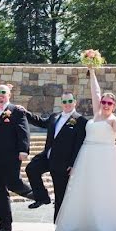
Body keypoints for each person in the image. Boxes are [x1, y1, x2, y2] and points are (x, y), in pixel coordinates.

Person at [55, 68, 116, 231]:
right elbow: (95, 91)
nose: (105, 105)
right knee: (84, 189)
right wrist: (92, 71)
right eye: (104, 102)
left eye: (109, 104)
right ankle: (84, 224)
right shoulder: (97, 113)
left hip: (106, 159)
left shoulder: (113, 119)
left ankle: (105, 224)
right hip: (87, 157)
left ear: (114, 106)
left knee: (104, 190)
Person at [21, 92, 87, 221]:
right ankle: (42, 197)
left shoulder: (80, 121)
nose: (67, 104)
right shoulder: (54, 116)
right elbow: (40, 122)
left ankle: (59, 223)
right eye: (64, 102)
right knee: (31, 169)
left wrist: (73, 164)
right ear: (61, 103)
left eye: (69, 101)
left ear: (75, 102)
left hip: (63, 162)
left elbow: (79, 145)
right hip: (47, 157)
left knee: (60, 194)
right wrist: (26, 113)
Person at [0, 83, 35, 231]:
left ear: (9, 95)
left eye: (3, 92)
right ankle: (5, 224)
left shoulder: (16, 110)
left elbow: (23, 131)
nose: (0, 94)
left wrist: (24, 149)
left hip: (11, 155)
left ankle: (38, 195)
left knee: (13, 182)